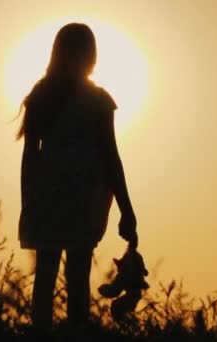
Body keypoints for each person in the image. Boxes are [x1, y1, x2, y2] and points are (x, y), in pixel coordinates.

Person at [16, 22, 137, 331]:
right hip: (84, 197)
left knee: (45, 275)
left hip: (48, 194)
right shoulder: (97, 100)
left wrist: (28, 201)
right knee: (78, 276)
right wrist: (127, 210)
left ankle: (42, 334)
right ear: (90, 55)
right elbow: (111, 156)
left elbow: (30, 155)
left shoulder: (40, 95)